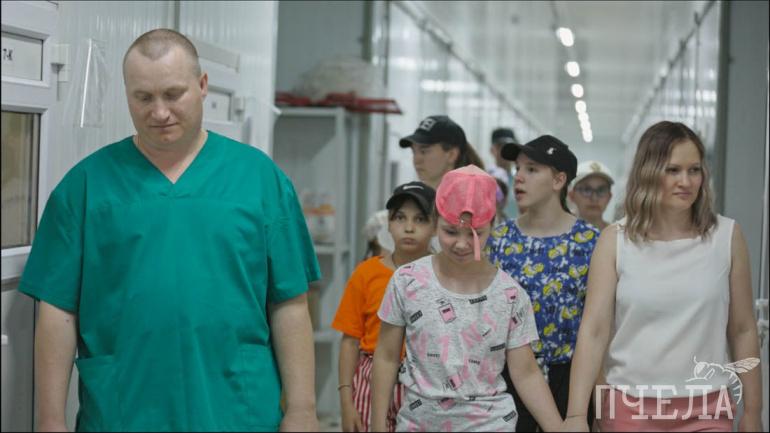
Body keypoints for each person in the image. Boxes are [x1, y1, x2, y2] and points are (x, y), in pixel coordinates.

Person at [18, 29, 320, 431]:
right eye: (143, 97)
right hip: (125, 410)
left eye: (173, 94)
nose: (159, 113)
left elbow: (290, 303)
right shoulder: (85, 186)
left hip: (235, 409)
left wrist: (302, 410)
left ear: (202, 85)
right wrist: (50, 419)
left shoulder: (260, 179)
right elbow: (58, 311)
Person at [563, 121, 763, 432]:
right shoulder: (615, 241)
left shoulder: (727, 236)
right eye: (673, 170)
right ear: (649, 172)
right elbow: (594, 332)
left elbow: (742, 329)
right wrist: (576, 415)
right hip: (629, 408)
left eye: (694, 170)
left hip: (708, 408)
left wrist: (753, 410)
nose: (686, 181)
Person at [370, 165, 563, 432]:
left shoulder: (510, 295)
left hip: (491, 424)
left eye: (475, 234)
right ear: (436, 222)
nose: (461, 244)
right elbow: (387, 356)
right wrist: (377, 425)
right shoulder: (407, 281)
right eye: (450, 232)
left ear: (492, 225)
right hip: (419, 423)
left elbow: (526, 373)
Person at [486, 135, 600, 431]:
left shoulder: (590, 242)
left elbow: (601, 326)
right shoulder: (500, 241)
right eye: (518, 169)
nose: (519, 177)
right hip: (509, 376)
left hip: (570, 379)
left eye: (532, 169)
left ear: (559, 180)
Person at [333, 181, 436, 432]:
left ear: (435, 226)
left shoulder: (442, 275)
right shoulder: (366, 273)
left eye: (420, 219)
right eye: (400, 218)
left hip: (425, 381)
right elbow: (350, 341)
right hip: (370, 380)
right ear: (388, 224)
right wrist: (346, 402)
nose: (409, 227)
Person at [398, 115, 485, 189]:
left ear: (451, 155)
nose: (416, 160)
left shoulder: (470, 199)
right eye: (413, 152)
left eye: (424, 151)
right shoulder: (419, 197)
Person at [568, 160, 615, 230]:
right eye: (586, 190)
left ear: (609, 197)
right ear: (572, 196)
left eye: (601, 190)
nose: (594, 198)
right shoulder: (558, 233)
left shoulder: (619, 235)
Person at [488, 127, 520, 219]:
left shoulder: (521, 179)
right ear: (492, 150)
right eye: (501, 146)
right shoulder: (485, 179)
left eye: (510, 147)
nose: (506, 151)